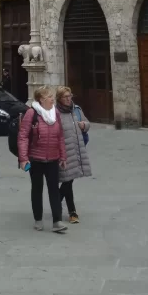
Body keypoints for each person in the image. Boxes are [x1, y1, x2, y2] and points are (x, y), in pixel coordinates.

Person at [17, 85, 67, 234]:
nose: (52, 99)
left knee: (54, 190)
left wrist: (63, 156)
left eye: (52, 97)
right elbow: (23, 136)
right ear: (41, 99)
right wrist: (23, 158)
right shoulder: (31, 114)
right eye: (49, 97)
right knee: (37, 189)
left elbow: (61, 136)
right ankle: (38, 219)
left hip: (53, 158)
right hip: (36, 158)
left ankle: (57, 221)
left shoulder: (55, 113)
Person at [56, 86, 91, 224]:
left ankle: (60, 206)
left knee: (69, 181)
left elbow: (87, 123)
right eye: (66, 96)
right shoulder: (56, 113)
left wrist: (84, 125)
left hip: (77, 150)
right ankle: (71, 211)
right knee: (67, 181)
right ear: (59, 98)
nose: (69, 98)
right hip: (64, 152)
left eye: (70, 96)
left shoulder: (76, 109)